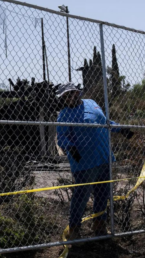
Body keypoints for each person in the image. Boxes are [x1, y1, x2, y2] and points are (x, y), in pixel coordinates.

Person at [56, 83, 133, 240]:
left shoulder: (91, 103)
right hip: (84, 164)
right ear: (63, 99)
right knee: (81, 197)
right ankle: (74, 230)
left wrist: (121, 129)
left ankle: (99, 227)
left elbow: (105, 122)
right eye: (65, 96)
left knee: (102, 194)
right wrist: (71, 149)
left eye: (71, 93)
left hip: (104, 158)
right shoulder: (64, 115)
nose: (69, 97)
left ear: (78, 93)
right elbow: (62, 137)